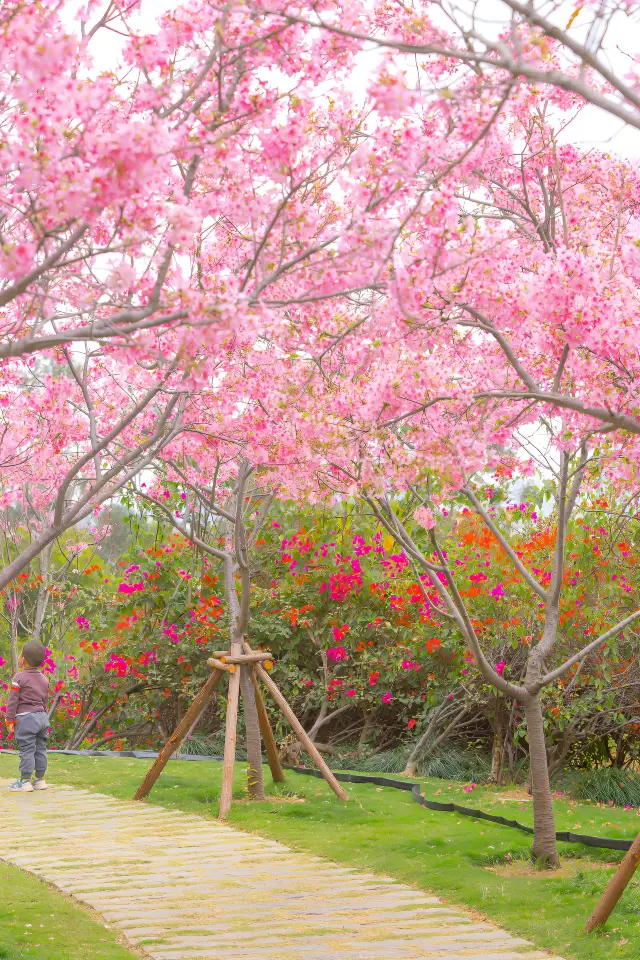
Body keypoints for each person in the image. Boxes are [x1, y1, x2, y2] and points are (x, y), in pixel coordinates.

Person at [5, 641, 50, 793]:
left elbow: (13, 700)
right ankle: (40, 780)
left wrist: (9, 719)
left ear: (22, 659)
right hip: (42, 717)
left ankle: (25, 781)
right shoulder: (44, 679)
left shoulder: (19, 678)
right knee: (40, 749)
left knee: (27, 750)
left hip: (26, 719)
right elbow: (45, 701)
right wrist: (43, 714)